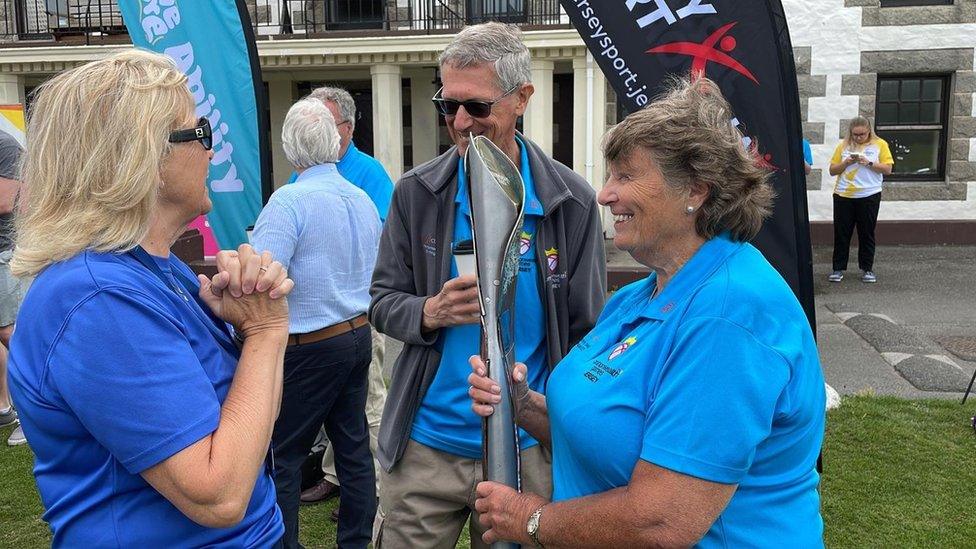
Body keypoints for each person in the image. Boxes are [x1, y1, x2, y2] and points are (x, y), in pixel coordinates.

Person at [468, 77, 826, 547]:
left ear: (695, 191)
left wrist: (532, 520)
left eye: (626, 176)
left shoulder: (728, 315)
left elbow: (662, 521)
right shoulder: (638, 297)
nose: (603, 194)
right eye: (610, 175)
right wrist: (523, 405)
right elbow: (615, 431)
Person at [7, 50, 294, 547]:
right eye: (198, 132)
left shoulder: (151, 270)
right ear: (144, 156)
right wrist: (266, 333)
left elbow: (246, 424)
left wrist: (249, 325)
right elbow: (218, 495)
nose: (212, 148)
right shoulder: (97, 297)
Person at [368, 21, 606, 548]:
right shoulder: (416, 192)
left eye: (476, 107)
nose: (459, 123)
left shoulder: (570, 201)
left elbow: (586, 331)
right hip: (426, 447)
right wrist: (428, 312)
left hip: (524, 449)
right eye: (446, 105)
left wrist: (553, 424)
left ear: (522, 98)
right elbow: (382, 303)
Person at [250, 97, 380, 549]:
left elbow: (260, 280)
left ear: (290, 148)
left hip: (309, 343)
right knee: (353, 449)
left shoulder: (288, 201)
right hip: (357, 332)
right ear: (335, 141)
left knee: (281, 456)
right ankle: (356, 542)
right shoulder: (361, 197)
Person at [295, 87, 394, 514]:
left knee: (368, 407)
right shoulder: (304, 175)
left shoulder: (369, 175)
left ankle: (374, 489)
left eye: (325, 121)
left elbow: (387, 242)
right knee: (340, 412)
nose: (314, 131)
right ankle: (339, 478)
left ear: (347, 129)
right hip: (317, 321)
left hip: (357, 314)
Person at [827, 117, 893, 284]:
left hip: (869, 195)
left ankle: (867, 269)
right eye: (855, 135)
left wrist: (868, 162)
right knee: (841, 233)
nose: (858, 138)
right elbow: (832, 170)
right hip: (844, 195)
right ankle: (838, 268)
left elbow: (888, 169)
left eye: (862, 134)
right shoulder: (843, 146)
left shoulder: (880, 145)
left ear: (869, 130)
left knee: (866, 233)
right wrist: (846, 162)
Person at [0, 130, 28, 446]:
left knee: (10, 333)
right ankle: (5, 407)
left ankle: (32, 415)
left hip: (4, 252)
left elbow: (5, 201)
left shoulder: (3, 144)